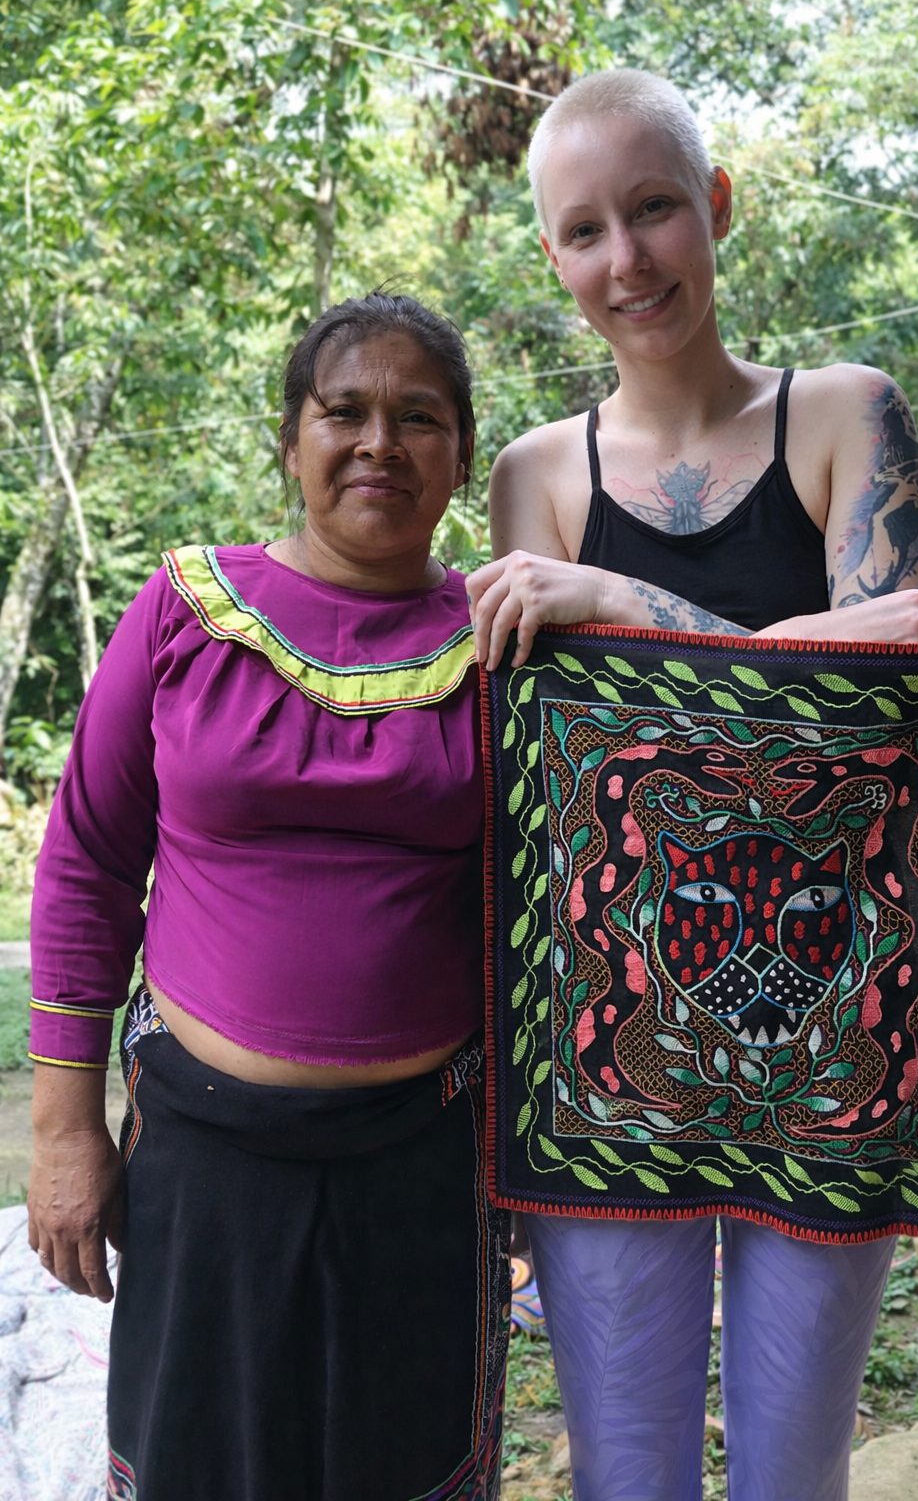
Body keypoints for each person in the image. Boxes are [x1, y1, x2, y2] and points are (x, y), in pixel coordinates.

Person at [466, 70, 918, 1501]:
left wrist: (612, 602)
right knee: (625, 1473)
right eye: (584, 230)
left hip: (836, 1035)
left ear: (716, 206)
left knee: (793, 1473)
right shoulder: (533, 474)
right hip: (610, 1040)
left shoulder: (845, 412)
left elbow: (880, 728)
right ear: (553, 258)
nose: (626, 259)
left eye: (653, 208)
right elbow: (550, 777)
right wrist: (818, 643)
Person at [28, 292, 509, 1501]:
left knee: (399, 1467)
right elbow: (87, 861)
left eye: (420, 418)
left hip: (422, 1158)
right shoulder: (185, 609)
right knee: (202, 1462)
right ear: (290, 441)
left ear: (462, 454)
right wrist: (65, 1132)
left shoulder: (504, 644)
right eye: (343, 412)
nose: (379, 444)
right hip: (203, 1156)